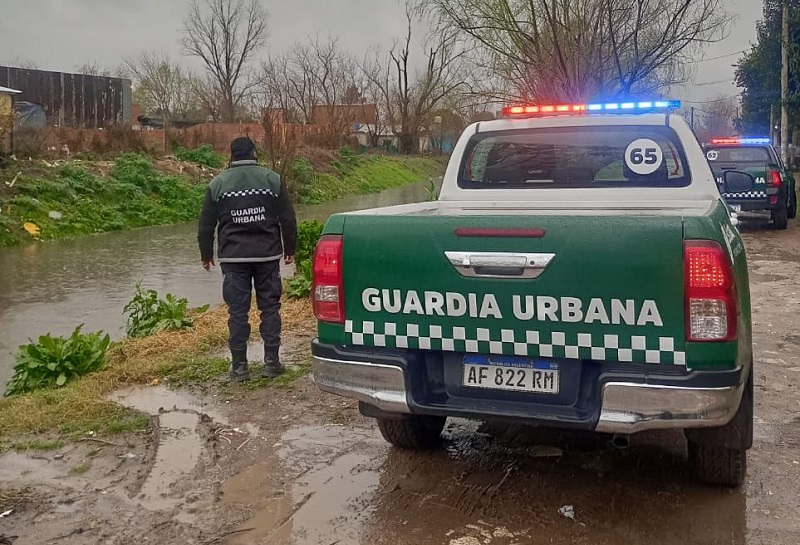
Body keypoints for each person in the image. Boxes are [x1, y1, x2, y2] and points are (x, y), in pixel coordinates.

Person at [198, 137, 297, 381]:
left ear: (230, 155)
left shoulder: (217, 183)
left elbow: (206, 225)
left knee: (237, 313)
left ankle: (240, 367)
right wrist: (290, 248)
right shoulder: (272, 179)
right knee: (270, 308)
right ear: (254, 153)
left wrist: (206, 254)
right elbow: (288, 218)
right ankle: (272, 363)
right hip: (267, 255)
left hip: (233, 258)